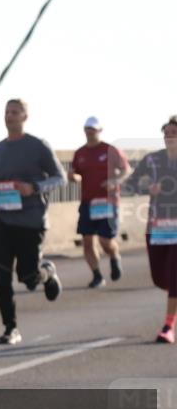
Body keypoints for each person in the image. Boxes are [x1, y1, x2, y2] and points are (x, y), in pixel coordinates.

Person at [0, 99, 66, 345]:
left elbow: (60, 178)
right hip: (1, 221)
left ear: (25, 117)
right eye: (6, 112)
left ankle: (47, 273)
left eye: (14, 112)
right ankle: (11, 328)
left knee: (28, 278)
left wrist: (33, 187)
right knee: (1, 278)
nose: (9, 116)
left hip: (31, 222)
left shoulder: (38, 146)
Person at [125, 115, 177, 344]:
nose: (169, 137)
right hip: (157, 227)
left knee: (175, 276)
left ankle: (168, 325)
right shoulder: (152, 160)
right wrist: (147, 186)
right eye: (166, 133)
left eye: (173, 133)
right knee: (159, 278)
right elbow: (131, 183)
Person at [68, 116, 132, 288]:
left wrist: (114, 181)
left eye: (93, 129)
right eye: (87, 128)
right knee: (87, 241)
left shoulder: (110, 149)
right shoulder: (80, 153)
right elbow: (77, 174)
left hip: (108, 202)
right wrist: (73, 177)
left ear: (100, 131)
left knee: (105, 241)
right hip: (88, 202)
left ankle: (114, 255)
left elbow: (126, 170)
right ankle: (97, 275)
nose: (90, 132)